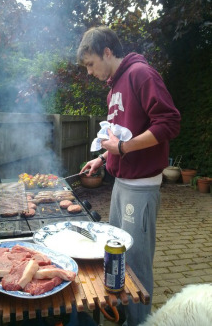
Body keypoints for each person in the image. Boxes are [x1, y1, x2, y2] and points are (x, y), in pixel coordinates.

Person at [77, 26, 181, 326]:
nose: (89, 71)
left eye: (91, 63)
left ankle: (141, 321)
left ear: (107, 52)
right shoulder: (114, 88)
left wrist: (122, 148)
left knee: (136, 261)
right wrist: (103, 157)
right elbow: (122, 134)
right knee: (116, 253)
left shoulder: (141, 74)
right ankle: (124, 312)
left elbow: (169, 122)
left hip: (142, 187)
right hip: (121, 184)